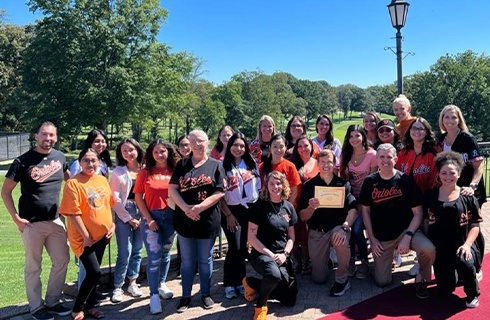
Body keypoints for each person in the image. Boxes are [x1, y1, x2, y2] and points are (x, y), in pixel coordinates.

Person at [1, 121, 71, 320]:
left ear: (56, 137)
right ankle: (35, 307)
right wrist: (16, 219)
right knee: (34, 266)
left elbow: (71, 182)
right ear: (36, 136)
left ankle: (52, 301)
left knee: (62, 260)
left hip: (56, 221)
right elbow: (5, 192)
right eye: (44, 134)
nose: (47, 139)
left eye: (51, 135)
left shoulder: (60, 157)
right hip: (31, 223)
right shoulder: (22, 161)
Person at [359, 143, 435, 299]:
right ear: (377, 159)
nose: (385, 160)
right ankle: (385, 262)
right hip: (382, 237)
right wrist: (372, 240)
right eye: (382, 156)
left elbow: (418, 213)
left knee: (428, 248)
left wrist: (407, 236)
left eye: (389, 157)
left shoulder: (405, 181)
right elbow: (365, 211)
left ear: (395, 159)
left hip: (405, 231)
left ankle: (422, 278)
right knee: (382, 282)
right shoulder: (369, 181)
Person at [169, 130, 226, 313]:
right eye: (193, 141)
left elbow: (219, 192)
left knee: (205, 259)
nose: (197, 144)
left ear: (207, 142)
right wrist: (186, 208)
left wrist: (199, 208)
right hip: (185, 220)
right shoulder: (182, 165)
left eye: (200, 140)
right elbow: (172, 189)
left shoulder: (216, 165)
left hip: (207, 219)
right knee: (187, 260)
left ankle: (205, 294)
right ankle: (185, 296)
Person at [60, 148, 115, 320]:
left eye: (93, 160)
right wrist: (86, 236)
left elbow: (109, 205)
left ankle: (90, 307)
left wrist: (112, 225)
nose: (90, 164)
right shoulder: (73, 183)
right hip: (83, 239)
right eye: (86, 160)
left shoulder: (101, 179)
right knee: (94, 273)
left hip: (102, 236)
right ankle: (77, 309)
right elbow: (73, 213)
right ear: (79, 162)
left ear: (99, 162)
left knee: (94, 274)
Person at [424, 151, 482, 308]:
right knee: (446, 287)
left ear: (459, 173)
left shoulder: (467, 196)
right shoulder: (430, 195)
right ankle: (454, 276)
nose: (447, 176)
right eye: (444, 173)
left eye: (452, 173)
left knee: (466, 263)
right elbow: (425, 221)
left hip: (461, 244)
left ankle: (472, 293)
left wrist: (468, 245)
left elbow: (475, 225)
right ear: (438, 174)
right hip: (441, 246)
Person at [298, 150, 358, 295]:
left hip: (337, 228)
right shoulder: (309, 185)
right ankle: (326, 262)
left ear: (334, 163)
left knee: (340, 240)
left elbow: (353, 210)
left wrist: (344, 228)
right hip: (317, 231)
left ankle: (342, 280)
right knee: (319, 279)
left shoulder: (343, 184)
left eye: (329, 161)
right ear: (318, 164)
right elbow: (302, 216)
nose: (326, 165)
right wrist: (311, 208)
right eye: (323, 162)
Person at [243, 171, 298, 320]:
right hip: (261, 253)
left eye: (278, 183)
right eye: (272, 183)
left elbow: (291, 237)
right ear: (266, 185)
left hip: (282, 254)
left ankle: (252, 283)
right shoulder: (258, 207)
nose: (275, 186)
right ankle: (261, 307)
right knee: (273, 275)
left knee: (289, 299)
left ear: (284, 185)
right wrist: (270, 254)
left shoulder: (288, 207)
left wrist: (285, 254)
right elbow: (251, 237)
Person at [134, 139, 180, 314]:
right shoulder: (145, 173)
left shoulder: (175, 171)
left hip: (171, 216)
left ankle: (161, 283)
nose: (160, 155)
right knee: (154, 256)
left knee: (166, 253)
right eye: (156, 152)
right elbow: (139, 197)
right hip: (151, 217)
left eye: (163, 151)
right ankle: (153, 295)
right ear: (151, 154)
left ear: (169, 152)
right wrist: (148, 219)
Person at [70, 129, 112, 300]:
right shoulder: (78, 165)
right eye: (97, 141)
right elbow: (76, 195)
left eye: (103, 141)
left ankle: (91, 293)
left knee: (95, 265)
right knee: (88, 267)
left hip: (100, 224)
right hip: (84, 224)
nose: (101, 144)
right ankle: (83, 298)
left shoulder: (103, 165)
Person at [220, 132, 261, 299]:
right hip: (231, 210)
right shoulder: (223, 166)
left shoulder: (251, 164)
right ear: (229, 147)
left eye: (242, 146)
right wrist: (229, 214)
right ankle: (229, 283)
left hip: (249, 210)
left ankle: (242, 283)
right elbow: (219, 195)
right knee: (235, 247)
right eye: (235, 145)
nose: (238, 148)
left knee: (242, 248)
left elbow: (257, 189)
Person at [339, 125, 377, 279]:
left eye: (357, 136)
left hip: (366, 200)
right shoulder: (346, 154)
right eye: (351, 136)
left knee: (356, 229)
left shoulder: (372, 155)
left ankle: (364, 260)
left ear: (363, 137)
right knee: (347, 230)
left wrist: (362, 203)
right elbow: (343, 178)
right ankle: (351, 260)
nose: (354, 139)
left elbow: (373, 182)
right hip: (350, 200)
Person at [109, 138, 145, 303]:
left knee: (138, 250)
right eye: (124, 151)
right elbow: (114, 199)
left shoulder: (145, 169)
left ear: (137, 150)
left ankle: (133, 282)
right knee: (125, 251)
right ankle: (118, 286)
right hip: (125, 211)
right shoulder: (118, 172)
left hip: (143, 211)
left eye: (131, 149)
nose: (128, 153)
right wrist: (129, 218)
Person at [438, 105, 486, 206]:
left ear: (459, 120)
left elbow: (478, 166)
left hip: (468, 190)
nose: (450, 120)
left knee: (471, 221)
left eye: (454, 117)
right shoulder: (441, 139)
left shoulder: (468, 138)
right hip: (451, 190)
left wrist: (472, 186)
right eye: (446, 117)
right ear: (442, 119)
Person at [290, 135, 319, 274]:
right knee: (295, 235)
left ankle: (306, 263)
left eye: (306, 145)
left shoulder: (318, 163)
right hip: (295, 203)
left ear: (311, 147)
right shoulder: (292, 164)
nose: (303, 149)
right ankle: (296, 262)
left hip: (313, 205)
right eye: (300, 146)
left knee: (307, 235)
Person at [259, 134, 301, 207]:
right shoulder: (262, 166)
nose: (278, 150)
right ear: (270, 148)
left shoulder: (290, 166)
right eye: (275, 146)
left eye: (281, 146)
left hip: (283, 207)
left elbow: (294, 192)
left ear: (286, 148)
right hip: (265, 207)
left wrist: (287, 209)